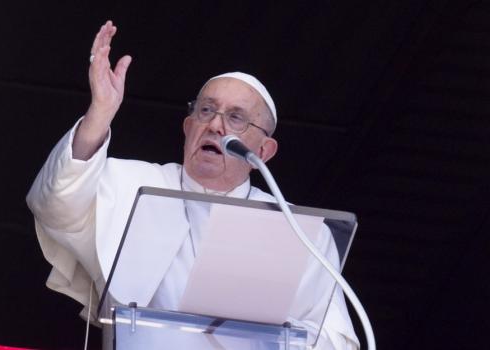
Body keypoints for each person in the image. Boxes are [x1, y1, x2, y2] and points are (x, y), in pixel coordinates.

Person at [26, 21, 359, 349]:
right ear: (188, 128)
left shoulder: (298, 232)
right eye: (206, 110)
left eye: (236, 117)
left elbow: (334, 339)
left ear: (263, 151)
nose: (215, 124)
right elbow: (56, 203)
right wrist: (100, 113)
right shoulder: (132, 183)